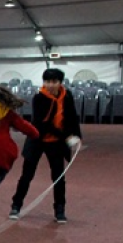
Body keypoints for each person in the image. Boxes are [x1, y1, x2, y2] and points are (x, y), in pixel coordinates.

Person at [9, 68, 82, 223]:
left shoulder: (67, 96)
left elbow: (72, 117)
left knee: (59, 177)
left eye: (54, 82)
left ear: (60, 83)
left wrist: (77, 136)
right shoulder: (39, 98)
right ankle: (16, 205)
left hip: (56, 144)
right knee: (27, 175)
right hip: (37, 140)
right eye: (47, 81)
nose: (50, 85)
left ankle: (60, 210)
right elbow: (42, 124)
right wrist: (65, 136)